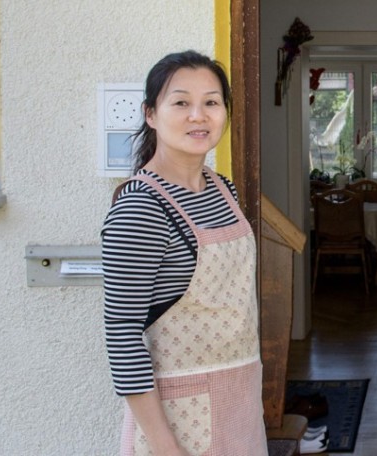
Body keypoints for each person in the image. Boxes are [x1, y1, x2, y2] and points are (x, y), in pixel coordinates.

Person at [101, 50, 267, 456]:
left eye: (211, 102)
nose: (198, 115)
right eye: (181, 102)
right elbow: (122, 335)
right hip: (178, 428)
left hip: (240, 409)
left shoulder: (223, 190)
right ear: (151, 114)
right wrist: (165, 448)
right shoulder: (141, 209)